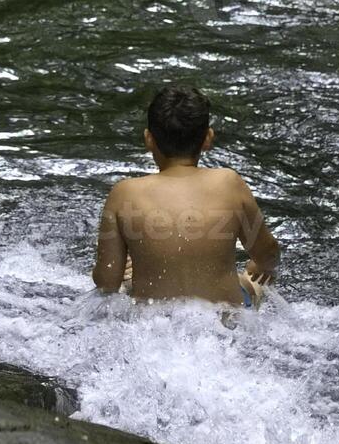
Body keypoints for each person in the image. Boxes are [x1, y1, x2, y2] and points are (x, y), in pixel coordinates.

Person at [93, 85, 280, 307]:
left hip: (155, 323)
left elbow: (107, 283)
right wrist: (262, 267)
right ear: (208, 138)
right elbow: (268, 253)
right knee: (252, 283)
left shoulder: (124, 193)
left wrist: (123, 271)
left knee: (125, 283)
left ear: (149, 139)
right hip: (223, 321)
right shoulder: (229, 183)